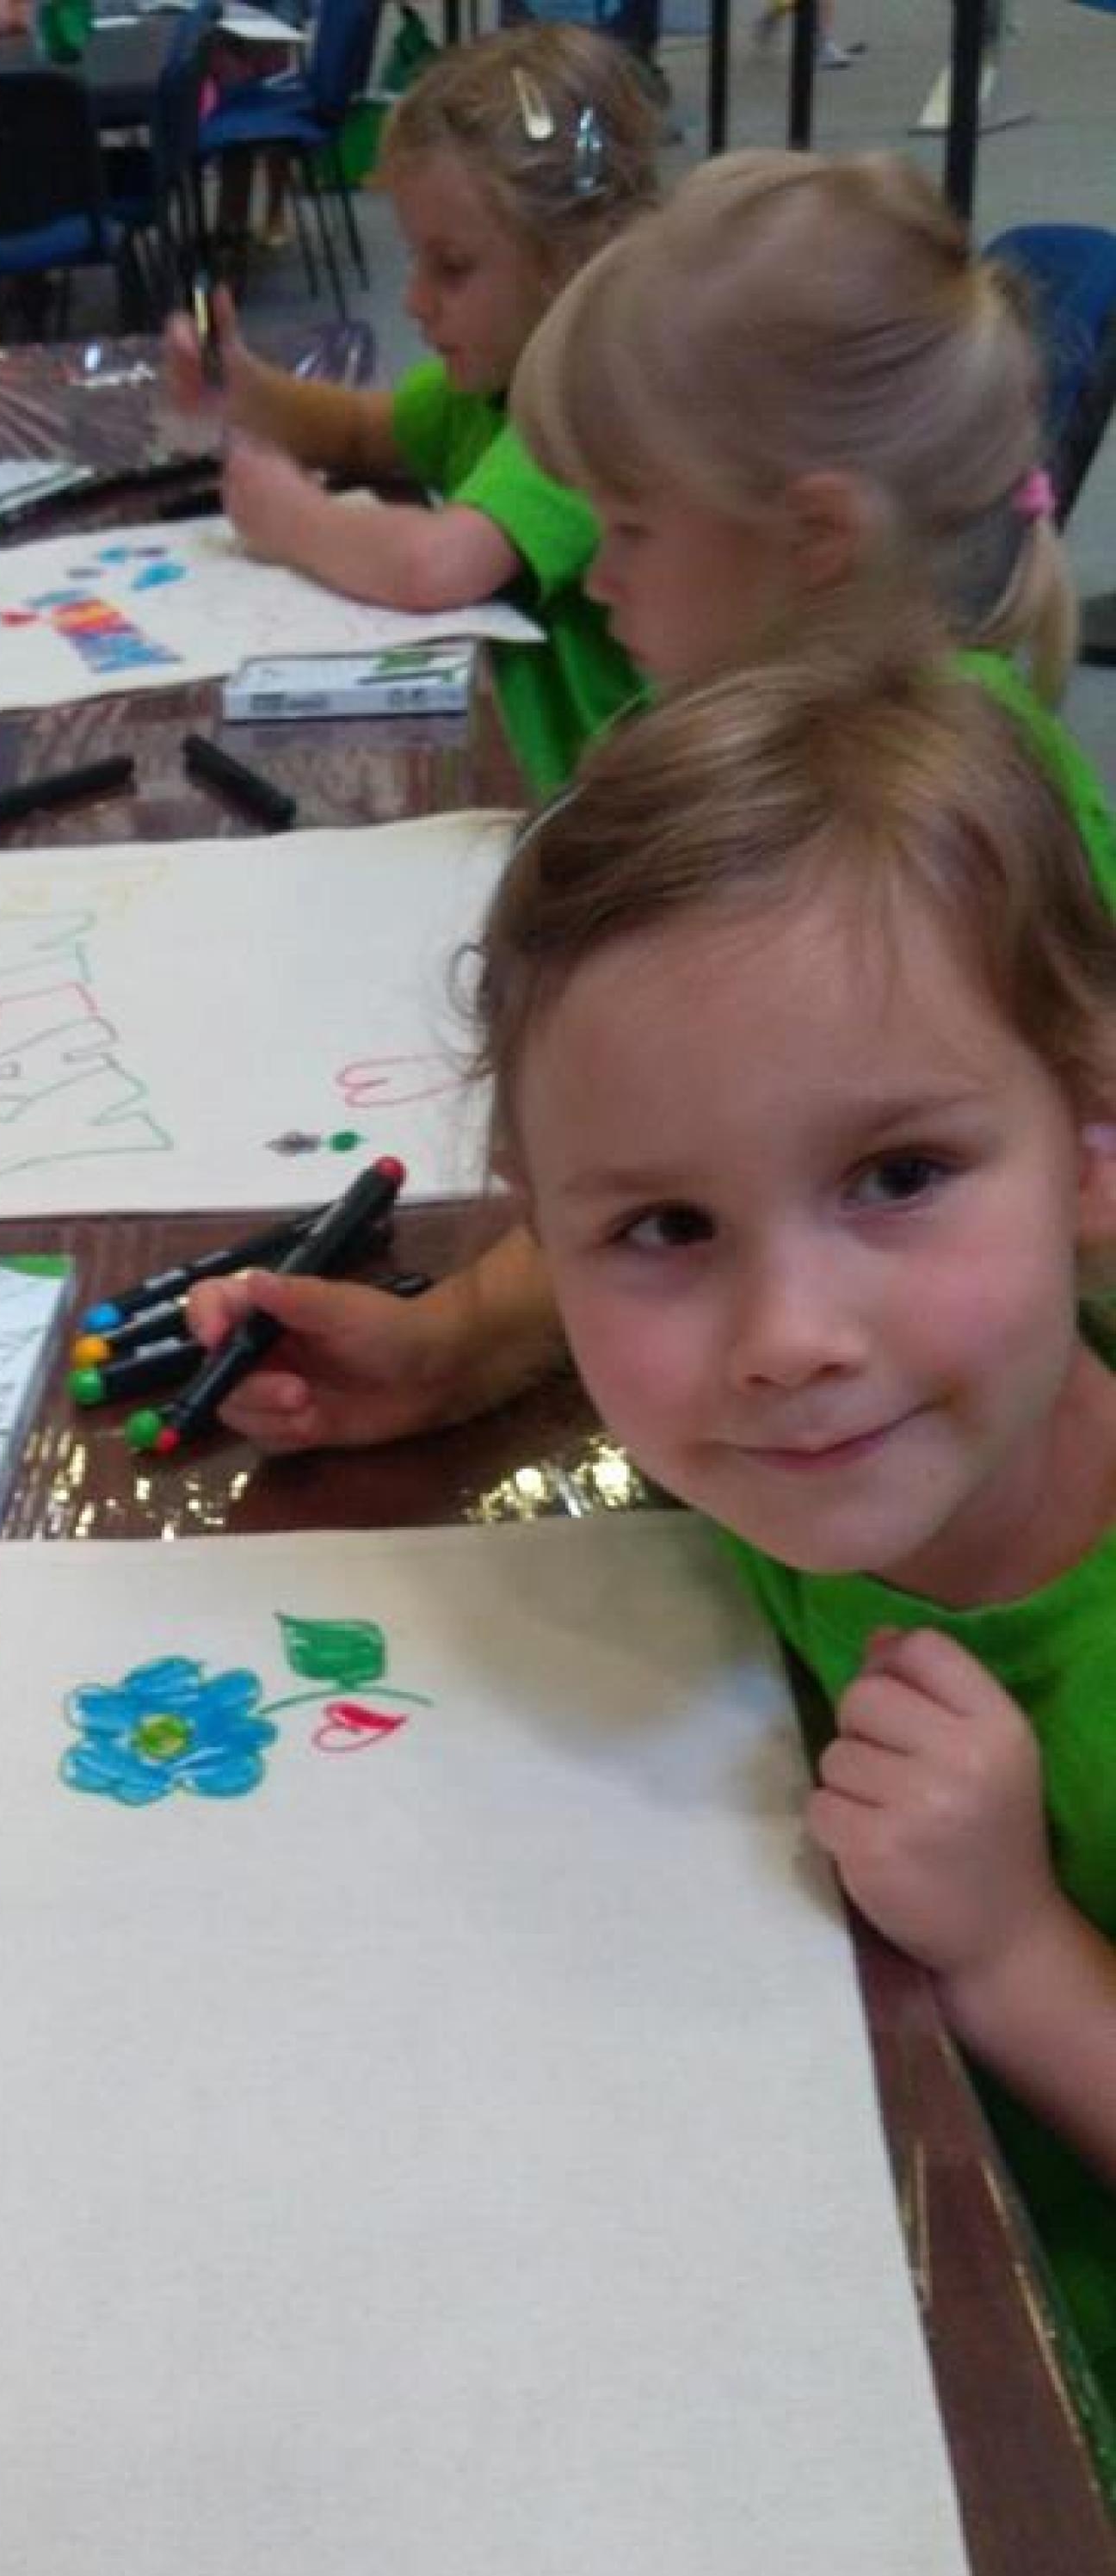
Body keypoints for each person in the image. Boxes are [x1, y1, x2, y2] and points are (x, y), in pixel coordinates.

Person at [184, 149, 1116, 1459]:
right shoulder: (796, 775)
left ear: (813, 539)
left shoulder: (914, 832)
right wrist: (449, 1349)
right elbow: (713, 1153)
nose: (596, 578)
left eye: (627, 527)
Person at [470, 655, 1116, 2440]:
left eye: (897, 1176)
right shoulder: (844, 1440)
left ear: (1092, 1146)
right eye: (667, 1226)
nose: (786, 1337)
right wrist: (432, 1355)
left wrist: (1015, 1946)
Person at [163, 23, 659, 792]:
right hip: (528, 780)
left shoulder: (591, 410)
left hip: (615, 813)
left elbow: (435, 565)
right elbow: (364, 432)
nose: (414, 301)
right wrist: (244, 388)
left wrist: (291, 517)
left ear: (570, 264)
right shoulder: (487, 385)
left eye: (452, 267)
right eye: (414, 259)